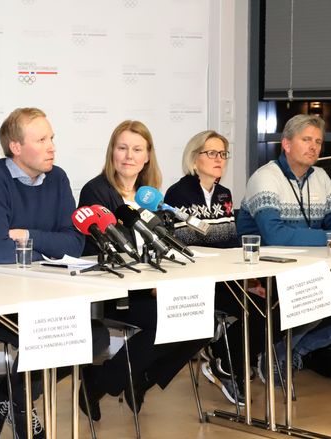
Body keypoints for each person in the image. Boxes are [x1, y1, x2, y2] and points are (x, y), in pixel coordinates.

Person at [0, 107, 108, 439]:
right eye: (41, 139)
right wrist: (48, 249)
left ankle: (10, 394)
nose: (52, 146)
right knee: (51, 335)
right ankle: (20, 401)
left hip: (44, 291)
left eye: (51, 137)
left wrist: (27, 235)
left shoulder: (58, 177)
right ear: (16, 147)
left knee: (95, 335)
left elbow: (75, 242)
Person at [77, 120, 208, 419]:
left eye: (137, 149)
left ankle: (140, 378)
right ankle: (101, 383)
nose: (128, 156)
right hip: (113, 289)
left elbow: (162, 247)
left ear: (148, 156)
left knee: (200, 319)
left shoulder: (150, 196)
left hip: (149, 286)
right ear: (111, 152)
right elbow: (108, 249)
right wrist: (148, 285)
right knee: (166, 320)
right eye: (122, 148)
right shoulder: (96, 191)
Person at [238, 114, 331, 379]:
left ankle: (287, 352)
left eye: (318, 142)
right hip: (267, 271)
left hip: (312, 267)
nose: (313, 147)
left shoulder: (320, 177)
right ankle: (276, 355)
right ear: (286, 144)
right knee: (319, 300)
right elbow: (276, 236)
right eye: (306, 139)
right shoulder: (265, 178)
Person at [164, 130, 266, 405]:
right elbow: (184, 243)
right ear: (194, 158)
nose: (219, 159)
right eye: (211, 153)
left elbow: (230, 241)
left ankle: (223, 357)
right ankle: (230, 366)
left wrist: (249, 278)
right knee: (250, 313)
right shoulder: (177, 193)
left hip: (223, 277)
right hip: (193, 282)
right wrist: (215, 238)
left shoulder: (224, 194)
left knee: (262, 312)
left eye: (222, 153)